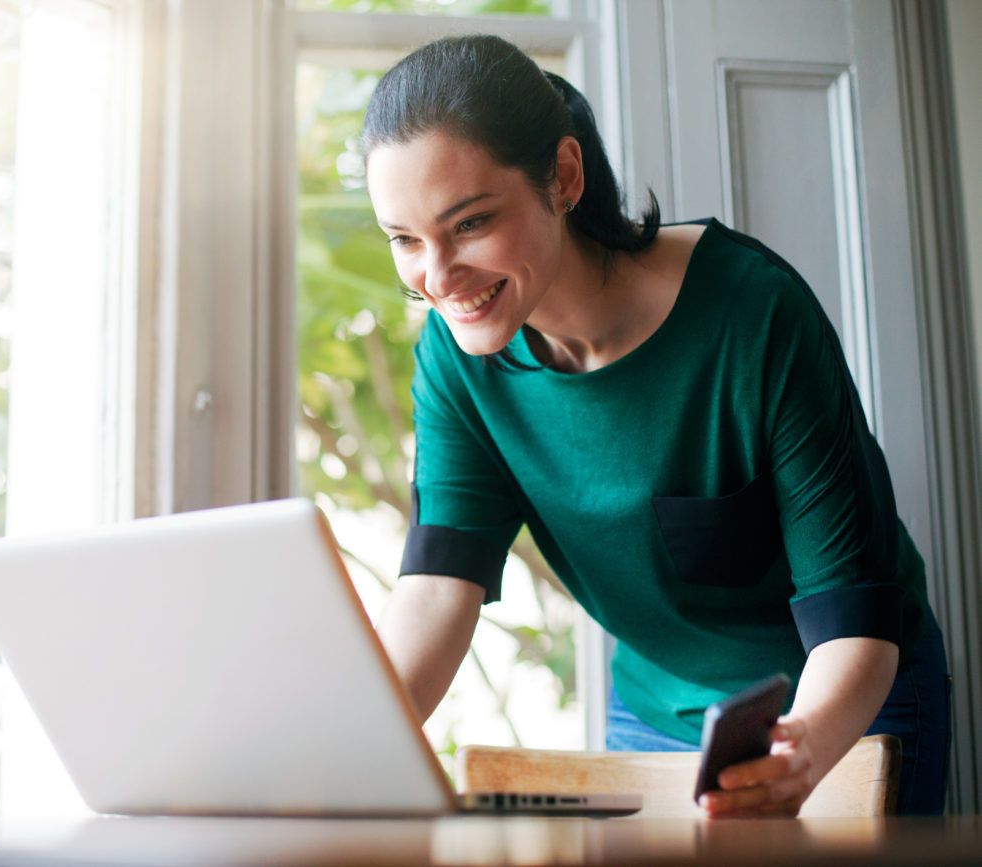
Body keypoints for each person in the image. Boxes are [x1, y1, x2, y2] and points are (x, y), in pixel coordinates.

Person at [362, 34, 951, 817]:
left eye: (469, 224)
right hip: (654, 708)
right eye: (405, 240)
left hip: (847, 696)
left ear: (563, 176)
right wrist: (347, 745)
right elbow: (438, 589)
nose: (436, 278)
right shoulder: (457, 355)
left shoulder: (753, 313)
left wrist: (798, 751)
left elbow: (855, 617)